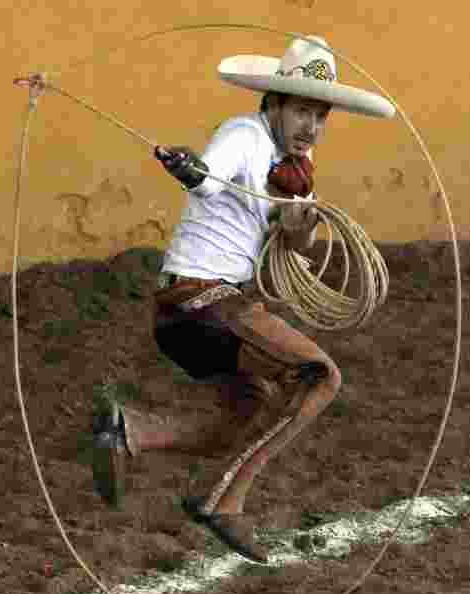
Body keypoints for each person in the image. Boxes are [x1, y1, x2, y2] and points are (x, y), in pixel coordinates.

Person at [91, 35, 395, 564]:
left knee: (250, 410)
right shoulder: (243, 134)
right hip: (200, 298)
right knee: (318, 376)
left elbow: (293, 246)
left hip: (190, 311)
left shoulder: (297, 168)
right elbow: (208, 180)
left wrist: (299, 225)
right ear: (274, 103)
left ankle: (131, 431)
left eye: (321, 115)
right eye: (302, 111)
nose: (312, 126)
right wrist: (189, 169)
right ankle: (224, 502)